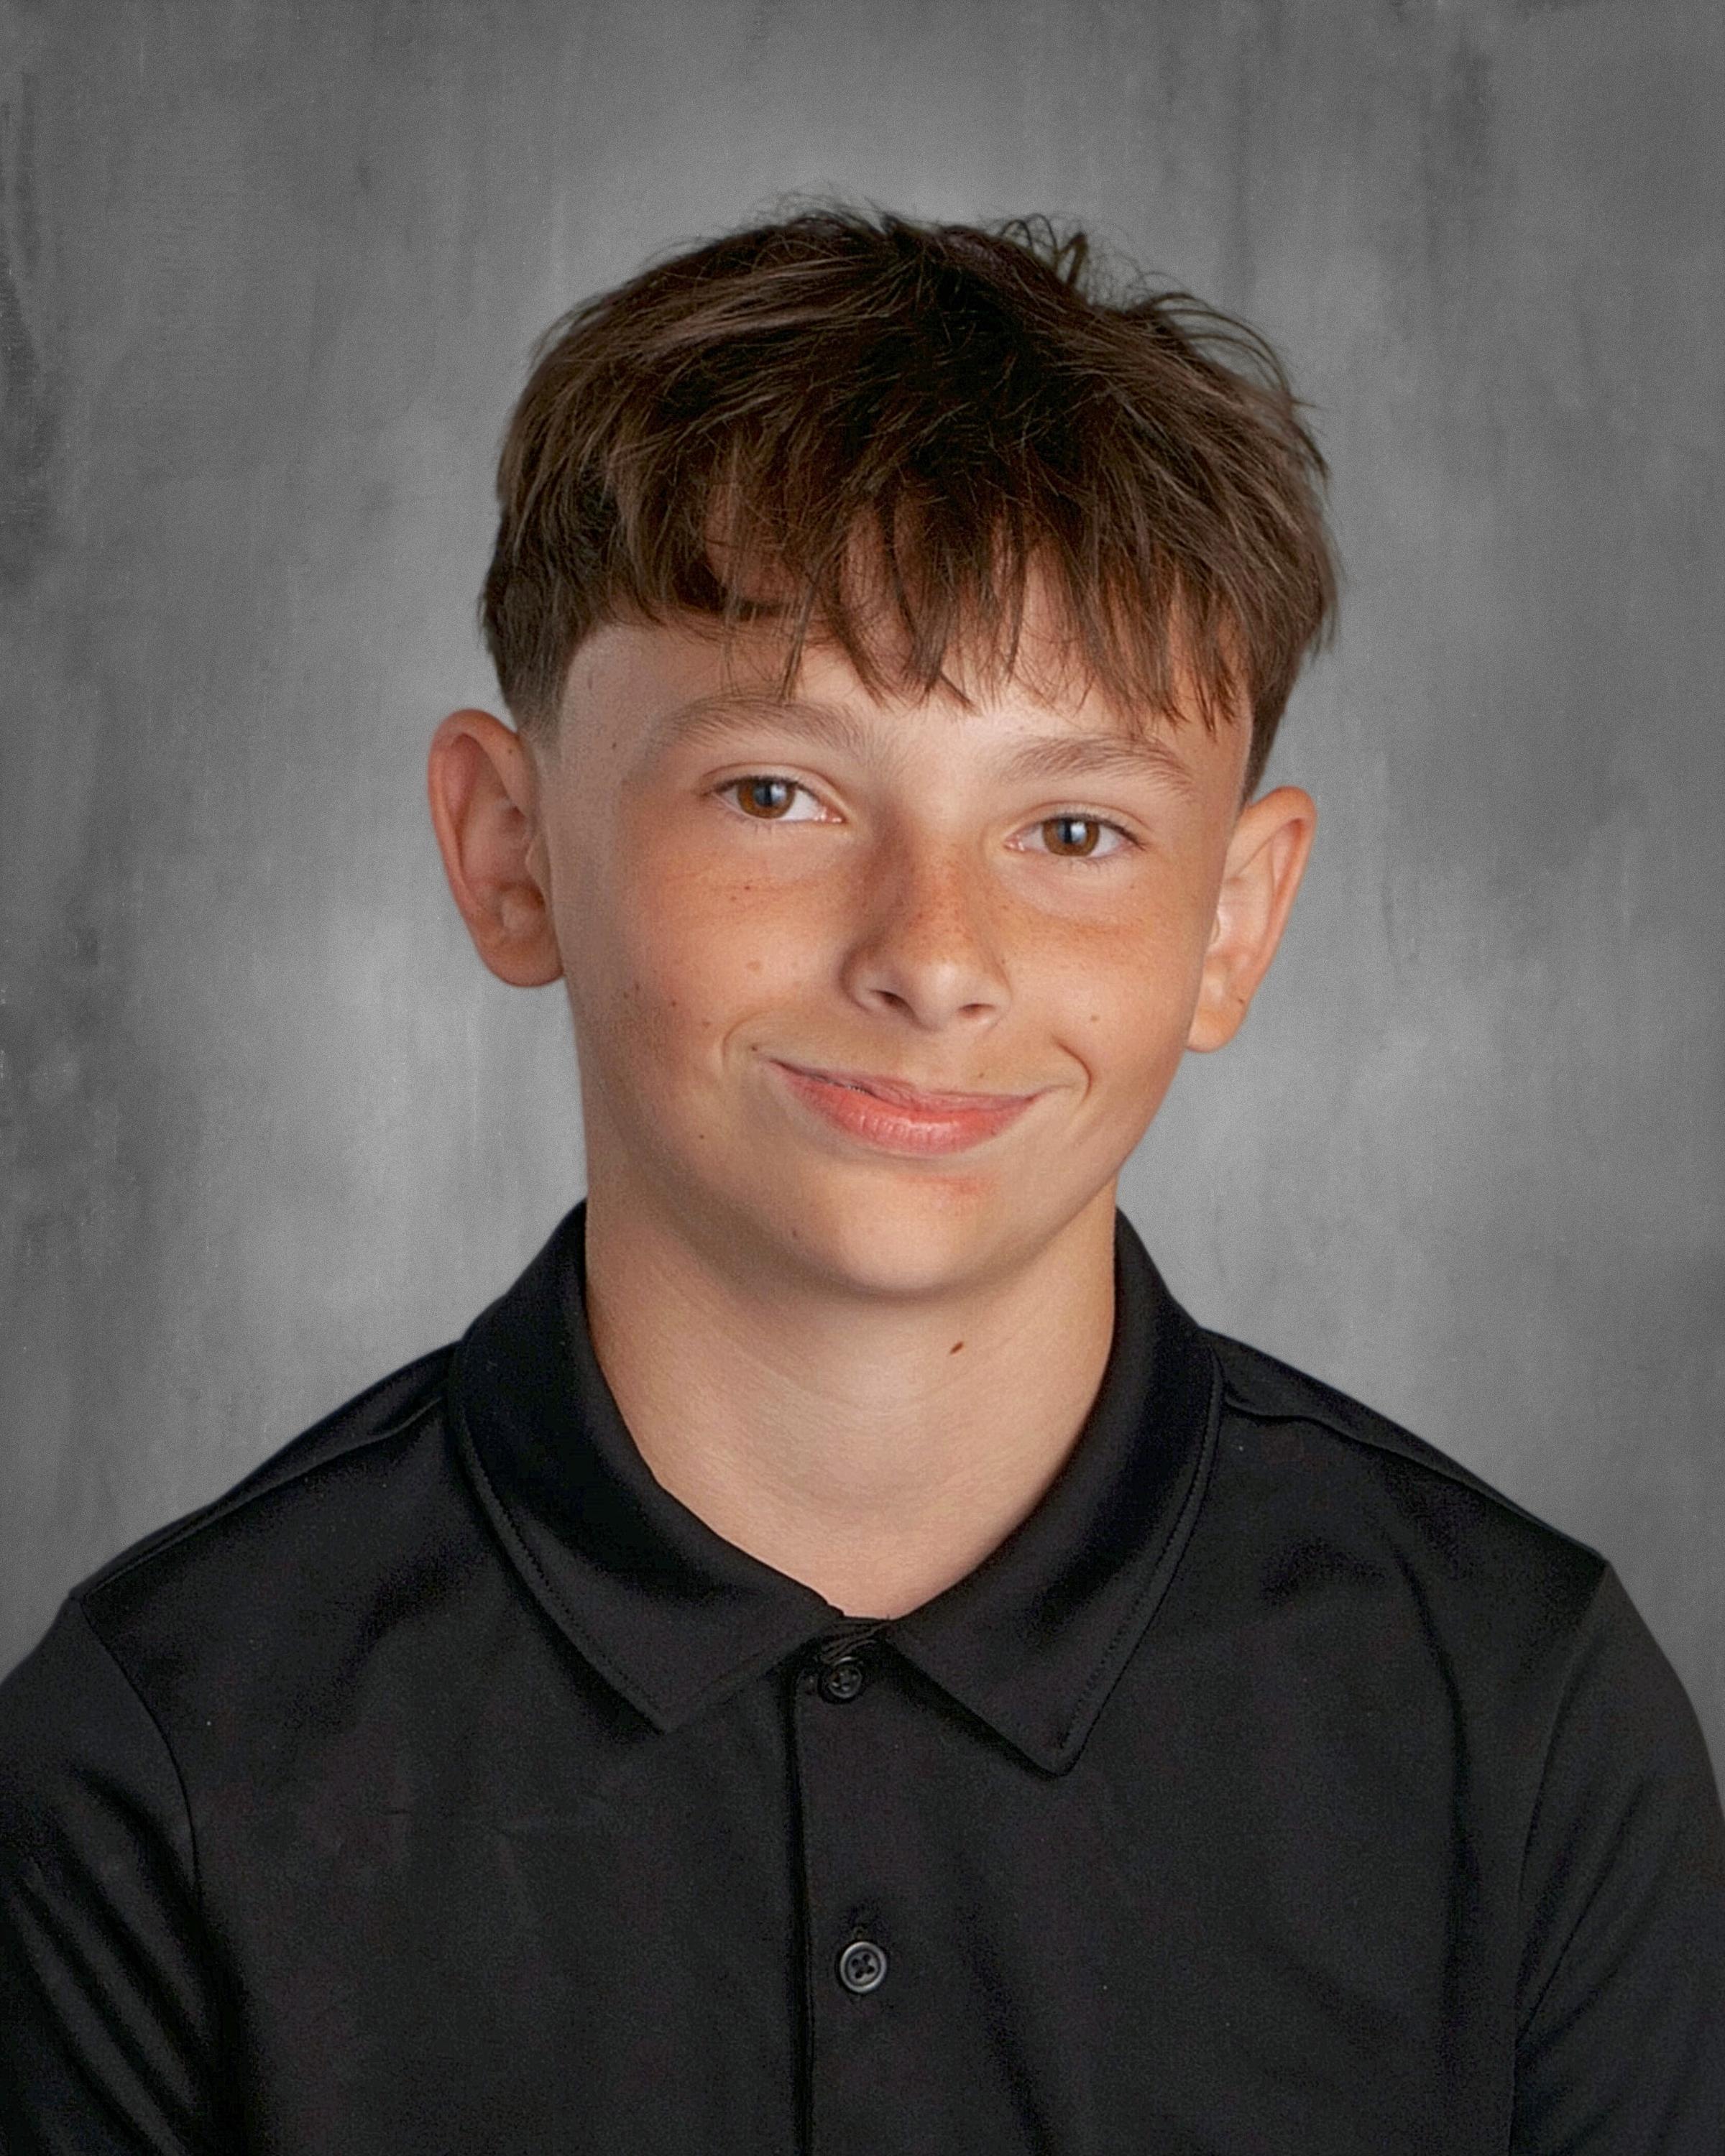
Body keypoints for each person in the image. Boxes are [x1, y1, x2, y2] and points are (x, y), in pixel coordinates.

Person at [1, 208, 1720, 2155]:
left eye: (1073, 828)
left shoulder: (1524, 1723)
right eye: (779, 794)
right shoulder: (159, 1764)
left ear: (1236, 923)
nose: (933, 956)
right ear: (509, 849)